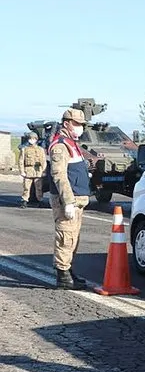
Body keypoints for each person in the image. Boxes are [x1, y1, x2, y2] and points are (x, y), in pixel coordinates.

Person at [48, 108, 90, 290]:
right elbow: (59, 175)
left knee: (73, 238)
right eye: (77, 124)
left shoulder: (72, 143)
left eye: (82, 124)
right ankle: (63, 275)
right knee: (65, 237)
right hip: (68, 200)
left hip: (77, 200)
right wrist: (68, 202)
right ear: (66, 123)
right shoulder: (60, 145)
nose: (80, 127)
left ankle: (68, 269)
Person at [18, 132, 46, 208]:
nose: (32, 140)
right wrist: (22, 171)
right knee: (26, 187)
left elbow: (43, 161)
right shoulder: (24, 149)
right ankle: (24, 201)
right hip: (28, 170)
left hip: (38, 170)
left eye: (33, 139)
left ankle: (39, 200)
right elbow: (21, 161)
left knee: (39, 187)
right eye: (30, 138)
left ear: (36, 140)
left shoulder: (40, 149)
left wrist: (44, 171)